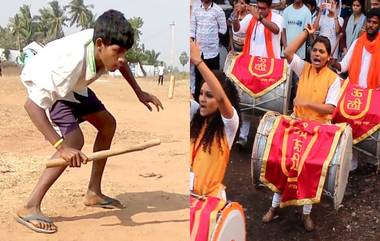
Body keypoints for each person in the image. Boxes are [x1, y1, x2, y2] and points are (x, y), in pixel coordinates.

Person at [16, 10, 163, 234]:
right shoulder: (67, 66)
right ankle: (29, 206)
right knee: (75, 140)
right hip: (52, 86)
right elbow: (32, 106)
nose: (122, 58)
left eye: (125, 52)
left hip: (76, 86)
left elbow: (121, 62)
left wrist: (139, 92)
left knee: (107, 124)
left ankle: (93, 193)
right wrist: (61, 147)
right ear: (100, 44)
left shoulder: (106, 49)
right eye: (117, 52)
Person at [262, 24, 341, 231]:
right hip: (296, 124)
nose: (317, 54)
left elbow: (330, 108)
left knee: (307, 167)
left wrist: (306, 104)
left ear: (328, 57)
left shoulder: (334, 80)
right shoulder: (302, 67)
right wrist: (307, 32)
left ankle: (306, 214)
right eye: (314, 50)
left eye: (321, 51)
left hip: (318, 130)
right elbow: (287, 51)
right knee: (283, 161)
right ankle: (274, 206)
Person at [190, 39, 240, 199]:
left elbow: (220, 97)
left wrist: (198, 61)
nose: (203, 99)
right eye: (201, 94)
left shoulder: (229, 125)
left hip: (210, 202)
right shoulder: (196, 113)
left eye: (209, 96)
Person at [231, 0, 283, 148]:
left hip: (270, 69)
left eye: (263, 9)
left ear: (269, 7)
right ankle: (243, 137)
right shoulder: (250, 16)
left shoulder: (277, 17)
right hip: (251, 66)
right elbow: (238, 30)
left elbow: (276, 29)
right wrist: (235, 16)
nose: (260, 11)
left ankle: (265, 141)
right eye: (258, 8)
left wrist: (259, 17)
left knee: (267, 105)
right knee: (247, 102)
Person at [333, 8, 380, 89]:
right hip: (354, 92)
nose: (371, 25)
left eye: (374, 22)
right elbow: (344, 65)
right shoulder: (357, 42)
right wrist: (334, 64)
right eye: (369, 21)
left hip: (373, 94)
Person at [190, 0, 227, 101]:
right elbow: (192, 30)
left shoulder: (218, 11)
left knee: (212, 81)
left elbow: (223, 29)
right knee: (198, 81)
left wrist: (212, 38)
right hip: (199, 53)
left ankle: (213, 105)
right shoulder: (196, 9)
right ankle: (198, 106)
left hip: (213, 53)